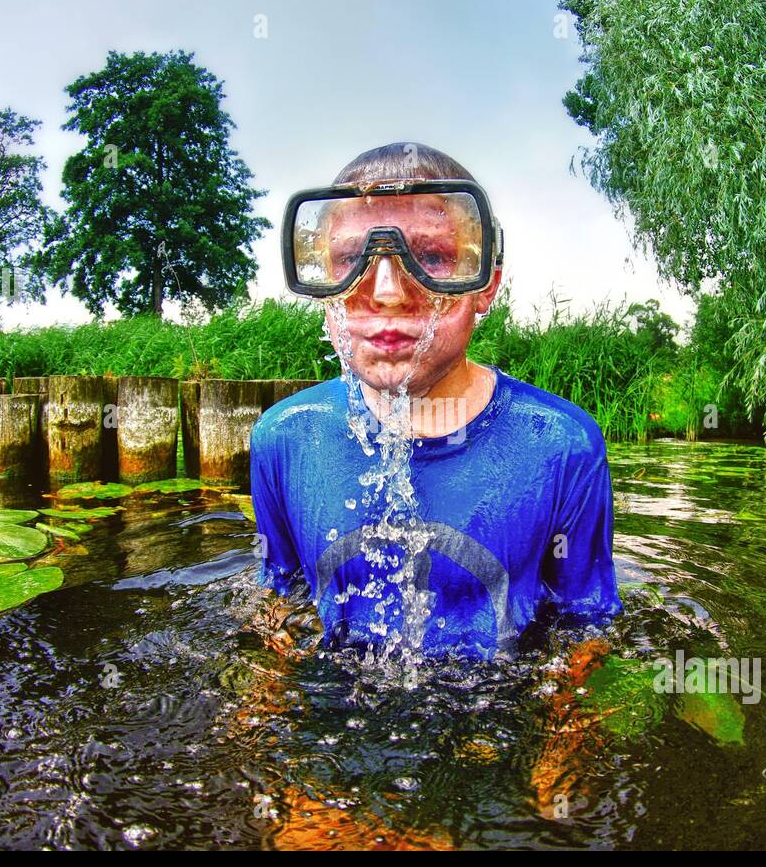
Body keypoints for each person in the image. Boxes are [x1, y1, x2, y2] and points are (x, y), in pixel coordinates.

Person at [250, 142, 623, 662]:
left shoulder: (561, 447)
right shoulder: (284, 438)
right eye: (350, 259)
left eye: (430, 257)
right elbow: (280, 602)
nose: (385, 291)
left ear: (486, 285)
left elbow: (584, 630)